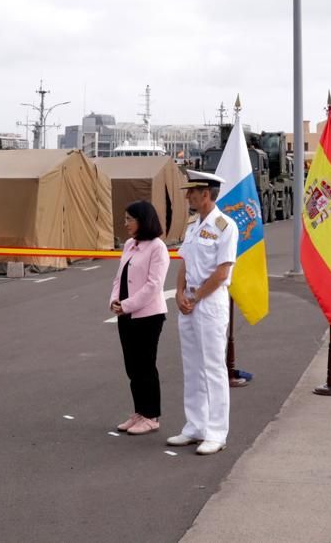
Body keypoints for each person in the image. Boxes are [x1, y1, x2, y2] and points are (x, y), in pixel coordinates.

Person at [166, 173, 237, 455]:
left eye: (192, 193)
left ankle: (217, 432)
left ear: (205, 194)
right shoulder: (195, 226)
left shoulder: (224, 226)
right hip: (191, 301)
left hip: (209, 303)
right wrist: (179, 293)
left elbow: (222, 272)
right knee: (192, 366)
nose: (187, 197)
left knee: (213, 368)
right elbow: (185, 263)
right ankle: (195, 426)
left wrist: (194, 297)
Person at [109, 199, 169, 435]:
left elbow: (154, 285)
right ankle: (139, 411)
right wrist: (115, 301)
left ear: (142, 221)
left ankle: (151, 415)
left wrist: (128, 305)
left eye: (129, 219)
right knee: (132, 366)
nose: (125, 224)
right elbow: (119, 278)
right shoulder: (129, 245)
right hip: (126, 314)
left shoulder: (157, 247)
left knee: (145, 365)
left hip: (148, 315)